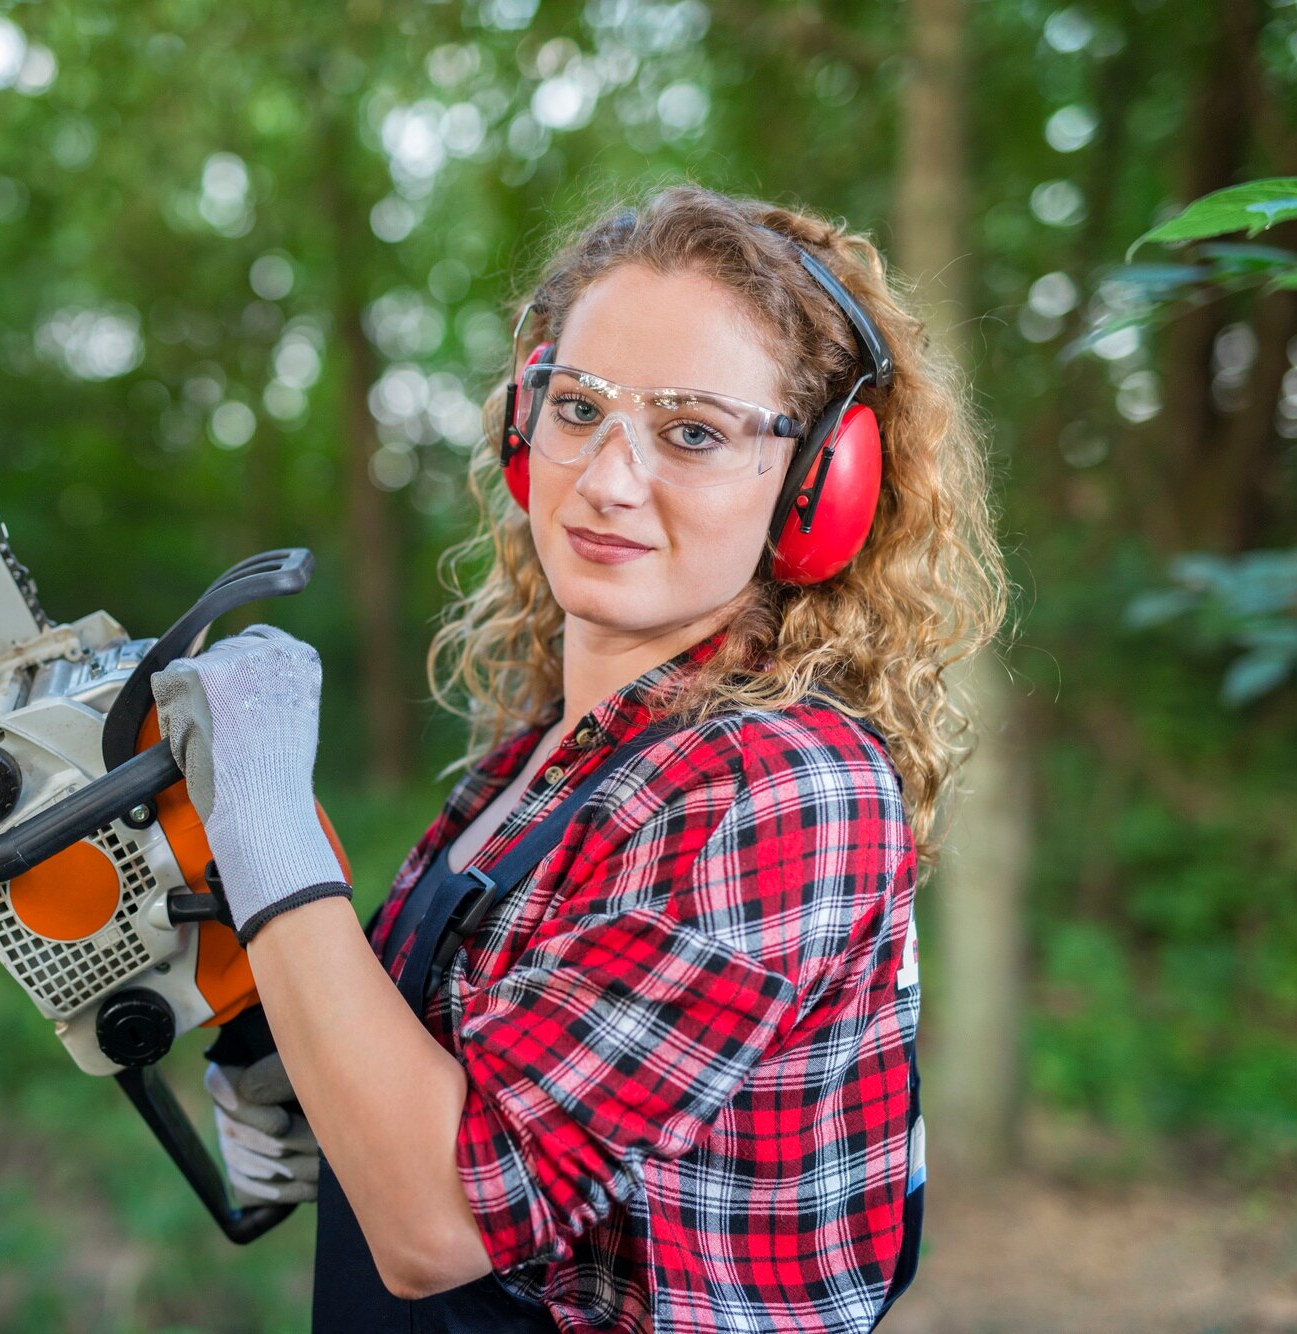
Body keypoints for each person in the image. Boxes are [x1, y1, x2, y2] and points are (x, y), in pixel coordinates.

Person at [151, 184, 1005, 1334]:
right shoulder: (538, 762)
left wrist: (261, 813)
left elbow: (439, 1215)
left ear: (816, 484)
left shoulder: (780, 788)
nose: (606, 479)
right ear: (523, 427)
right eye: (578, 407)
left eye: (691, 432)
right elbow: (471, 1090)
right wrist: (296, 1066)